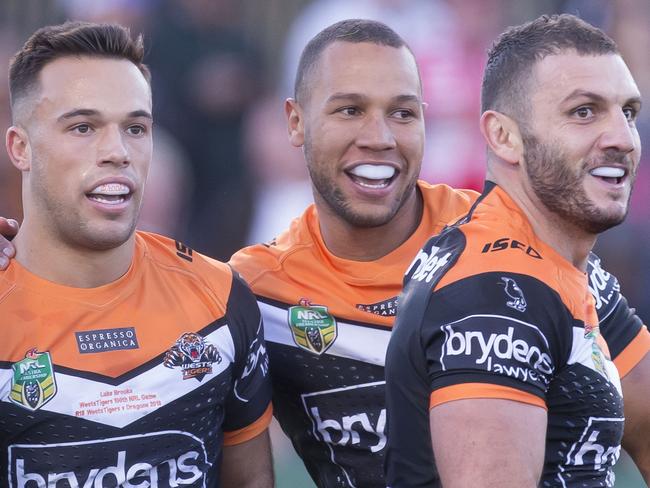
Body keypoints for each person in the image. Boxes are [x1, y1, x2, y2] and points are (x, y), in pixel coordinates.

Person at [1, 18, 648, 488]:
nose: (379, 138)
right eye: (349, 110)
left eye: (402, 114)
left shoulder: (516, 244)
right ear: (294, 123)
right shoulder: (254, 291)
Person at [0, 22, 273, 487]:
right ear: (20, 148)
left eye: (135, 127)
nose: (117, 151)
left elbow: (250, 481)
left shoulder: (221, 299)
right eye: (83, 127)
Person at [385, 13, 648, 488]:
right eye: (584, 112)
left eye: (628, 112)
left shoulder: (561, 262)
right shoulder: (494, 292)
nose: (623, 139)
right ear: (504, 137)